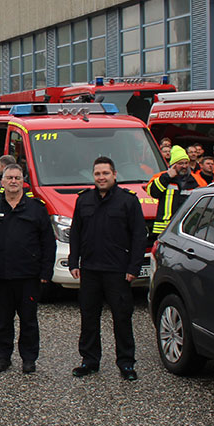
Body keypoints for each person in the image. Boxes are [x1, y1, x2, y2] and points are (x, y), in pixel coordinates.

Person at [68, 157, 147, 381]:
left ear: (114, 174)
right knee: (88, 317)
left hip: (117, 270)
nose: (101, 177)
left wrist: (134, 266)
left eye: (105, 173)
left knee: (122, 318)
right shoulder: (84, 201)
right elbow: (76, 233)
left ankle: (126, 363)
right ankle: (89, 360)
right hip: (91, 269)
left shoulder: (128, 201)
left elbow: (139, 237)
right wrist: (75, 262)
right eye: (97, 174)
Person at [0, 164, 53, 374]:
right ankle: (3, 357)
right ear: (2, 182)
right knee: (3, 321)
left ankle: (29, 358)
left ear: (22, 181)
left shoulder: (37, 209)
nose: (13, 181)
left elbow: (48, 243)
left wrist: (45, 272)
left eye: (17, 178)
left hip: (29, 276)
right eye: (9, 178)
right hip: (2, 277)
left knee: (29, 320)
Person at [148, 146, 199, 237]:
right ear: (173, 165)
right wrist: (167, 177)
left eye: (186, 163)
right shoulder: (162, 176)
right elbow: (153, 192)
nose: (184, 166)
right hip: (163, 229)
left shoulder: (194, 180)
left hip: (184, 228)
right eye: (180, 163)